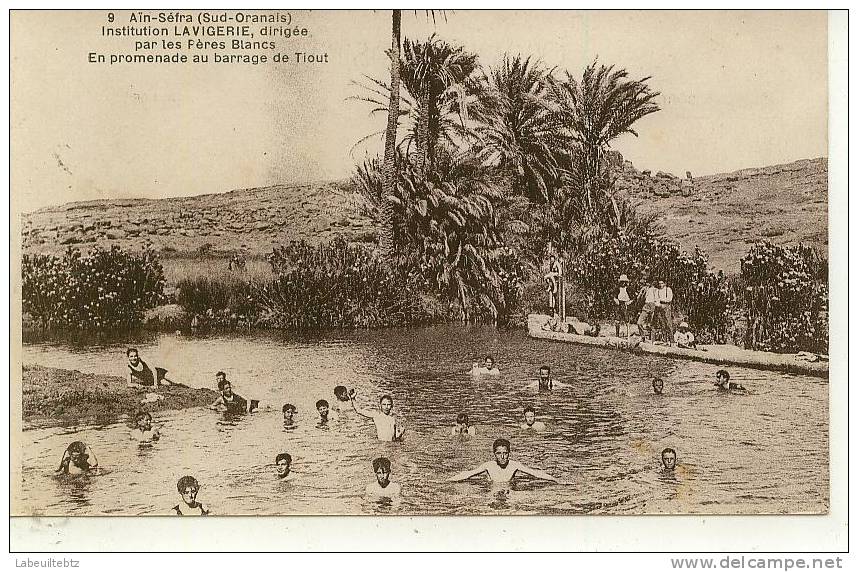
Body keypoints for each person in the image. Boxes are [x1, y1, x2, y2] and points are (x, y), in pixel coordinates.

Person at [447, 438, 559, 483]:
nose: (502, 457)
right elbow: (468, 474)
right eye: (499, 453)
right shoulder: (489, 465)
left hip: (510, 489)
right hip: (492, 489)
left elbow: (535, 473)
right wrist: (447, 481)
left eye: (505, 453)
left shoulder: (514, 465)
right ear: (494, 454)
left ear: (509, 454)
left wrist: (555, 479)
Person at [653, 279, 675, 344]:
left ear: (664, 283)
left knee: (668, 323)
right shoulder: (658, 290)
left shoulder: (668, 289)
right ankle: (664, 340)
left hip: (666, 306)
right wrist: (659, 304)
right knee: (662, 323)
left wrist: (662, 302)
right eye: (659, 283)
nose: (660, 285)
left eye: (662, 283)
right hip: (659, 306)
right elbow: (656, 299)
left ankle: (672, 341)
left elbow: (669, 299)